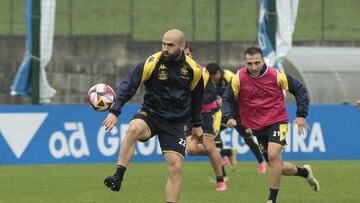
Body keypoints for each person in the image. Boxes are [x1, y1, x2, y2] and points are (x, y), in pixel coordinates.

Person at [102, 29, 204, 203]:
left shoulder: (193, 70)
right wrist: (114, 111)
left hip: (176, 122)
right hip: (151, 114)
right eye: (163, 43)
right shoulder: (152, 62)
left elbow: (197, 98)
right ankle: (118, 175)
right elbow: (128, 86)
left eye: (170, 45)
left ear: (182, 46)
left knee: (175, 168)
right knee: (133, 129)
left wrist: (197, 124)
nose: (165, 48)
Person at [222, 46, 320, 203]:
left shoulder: (276, 75)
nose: (253, 67)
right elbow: (227, 98)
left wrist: (301, 115)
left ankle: (271, 200)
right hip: (257, 128)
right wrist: (229, 116)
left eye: (257, 63)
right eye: (249, 64)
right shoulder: (238, 78)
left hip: (277, 120)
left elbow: (300, 90)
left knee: (273, 155)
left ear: (263, 61)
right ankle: (304, 172)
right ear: (245, 63)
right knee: (277, 165)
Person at [206, 62, 267, 173]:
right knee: (214, 131)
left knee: (248, 138)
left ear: (218, 73)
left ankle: (261, 162)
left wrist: (224, 100)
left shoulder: (229, 77)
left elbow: (241, 94)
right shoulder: (211, 81)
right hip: (225, 113)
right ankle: (225, 156)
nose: (213, 80)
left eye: (214, 77)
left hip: (239, 113)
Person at [183, 45, 227, 191]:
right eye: (183, 54)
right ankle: (215, 152)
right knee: (191, 150)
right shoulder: (172, 72)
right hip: (187, 116)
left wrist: (195, 101)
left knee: (208, 144)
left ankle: (220, 180)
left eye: (188, 53)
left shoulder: (201, 71)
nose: (186, 56)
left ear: (192, 54)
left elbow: (212, 93)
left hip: (204, 113)